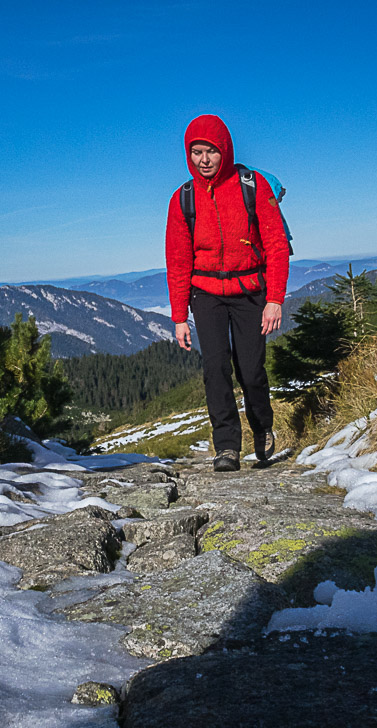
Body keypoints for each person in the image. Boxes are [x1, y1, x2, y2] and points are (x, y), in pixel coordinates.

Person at [165, 114, 290, 471]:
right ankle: (226, 447)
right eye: (196, 152)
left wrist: (275, 299)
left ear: (226, 150)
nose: (203, 160)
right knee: (215, 369)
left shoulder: (252, 186)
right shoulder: (183, 199)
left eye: (211, 151)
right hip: (206, 294)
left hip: (251, 290)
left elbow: (276, 245)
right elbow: (177, 259)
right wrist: (179, 317)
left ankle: (262, 428)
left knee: (251, 369)